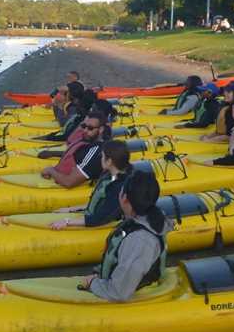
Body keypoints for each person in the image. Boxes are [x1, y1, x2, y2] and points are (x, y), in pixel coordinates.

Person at [79, 170, 174, 302]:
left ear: (124, 198)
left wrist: (93, 283)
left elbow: (119, 292)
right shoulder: (141, 217)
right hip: (122, 283)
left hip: (132, 295)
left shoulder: (140, 241)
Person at [51, 140, 131, 229]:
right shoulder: (108, 176)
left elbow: (98, 219)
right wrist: (70, 209)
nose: (100, 159)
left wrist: (67, 221)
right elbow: (97, 205)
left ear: (109, 161)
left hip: (97, 224)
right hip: (89, 216)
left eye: (102, 156)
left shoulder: (118, 187)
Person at [41, 111, 107, 187]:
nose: (85, 130)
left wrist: (50, 170)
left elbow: (69, 182)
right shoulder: (87, 141)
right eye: (84, 126)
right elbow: (73, 154)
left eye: (90, 128)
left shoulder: (96, 150)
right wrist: (52, 154)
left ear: (101, 129)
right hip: (60, 178)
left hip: (69, 187)